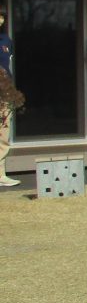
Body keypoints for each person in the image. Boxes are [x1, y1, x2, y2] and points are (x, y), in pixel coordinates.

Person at [0, 10, 19, 187]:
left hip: (5, 91)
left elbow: (8, 65)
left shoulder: (6, 41)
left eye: (1, 16)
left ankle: (1, 174)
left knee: (3, 133)